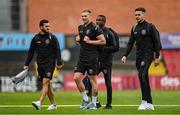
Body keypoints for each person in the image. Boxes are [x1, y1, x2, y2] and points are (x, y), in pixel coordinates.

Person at [121, 7, 161, 110]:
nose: (137, 16)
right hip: (138, 56)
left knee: (141, 75)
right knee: (144, 78)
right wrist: (125, 55)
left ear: (143, 15)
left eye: (139, 14)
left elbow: (157, 42)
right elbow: (130, 43)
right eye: (136, 15)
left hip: (147, 55)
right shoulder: (134, 28)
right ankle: (150, 103)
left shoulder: (150, 27)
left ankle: (143, 102)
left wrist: (157, 57)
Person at [24, 19, 63, 110]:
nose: (48, 28)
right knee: (48, 86)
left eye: (49, 26)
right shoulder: (35, 39)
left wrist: (59, 62)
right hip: (40, 64)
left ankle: (39, 102)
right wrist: (26, 64)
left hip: (50, 64)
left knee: (45, 83)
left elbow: (58, 50)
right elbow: (31, 52)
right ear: (41, 27)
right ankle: (53, 105)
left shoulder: (52, 37)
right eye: (46, 26)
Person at [74, 9, 106, 110]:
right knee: (76, 78)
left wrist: (90, 41)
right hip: (82, 57)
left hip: (92, 57)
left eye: (85, 16)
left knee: (93, 81)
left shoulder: (95, 27)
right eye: (82, 16)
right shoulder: (80, 27)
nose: (83, 18)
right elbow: (83, 42)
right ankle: (85, 99)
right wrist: (78, 40)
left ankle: (94, 103)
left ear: (89, 16)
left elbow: (103, 41)